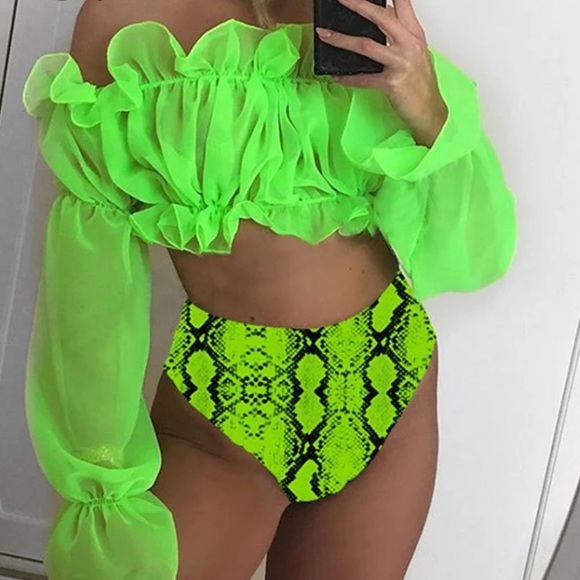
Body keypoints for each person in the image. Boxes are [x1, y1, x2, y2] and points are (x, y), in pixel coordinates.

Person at [21, 0, 517, 577]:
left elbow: (472, 248)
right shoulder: (126, 18)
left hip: (388, 373)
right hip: (228, 402)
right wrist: (99, 466)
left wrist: (427, 106)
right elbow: (90, 272)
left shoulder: (353, 15)